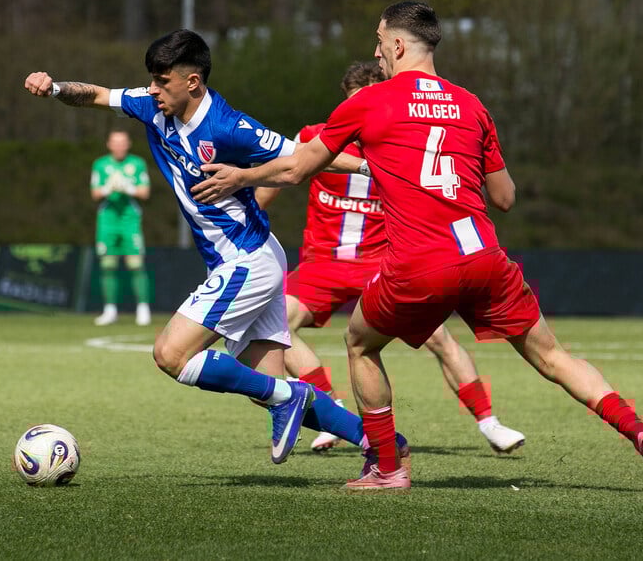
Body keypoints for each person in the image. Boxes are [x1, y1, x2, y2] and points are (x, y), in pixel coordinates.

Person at [191, 2, 643, 493]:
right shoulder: (472, 105)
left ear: (398, 43)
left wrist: (243, 174)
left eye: (379, 41)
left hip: (420, 261)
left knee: (361, 344)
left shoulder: (367, 101)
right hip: (485, 257)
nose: (377, 52)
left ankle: (388, 467)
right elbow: (506, 198)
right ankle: (641, 434)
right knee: (553, 357)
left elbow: (297, 168)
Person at [24, 29, 379, 466]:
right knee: (264, 388)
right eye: (150, 81)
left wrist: (368, 167)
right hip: (245, 258)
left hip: (248, 259)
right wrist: (55, 87)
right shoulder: (152, 107)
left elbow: (302, 156)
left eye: (161, 81)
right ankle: (380, 444)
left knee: (171, 355)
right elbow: (96, 95)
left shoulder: (229, 127)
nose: (151, 90)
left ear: (192, 82)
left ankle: (291, 395)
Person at [256, 61, 524, 455]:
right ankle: (332, 410)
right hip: (323, 264)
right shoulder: (316, 137)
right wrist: (248, 224)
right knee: (276, 324)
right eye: (353, 102)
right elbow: (275, 182)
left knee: (439, 337)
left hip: (383, 263)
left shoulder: (399, 143)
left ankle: (490, 423)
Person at [90, 129, 152, 326]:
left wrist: (128, 187)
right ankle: (110, 310)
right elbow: (95, 194)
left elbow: (145, 192)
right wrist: (108, 188)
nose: (119, 146)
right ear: (109, 144)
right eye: (115, 142)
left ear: (128, 144)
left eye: (122, 142)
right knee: (108, 265)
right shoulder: (100, 164)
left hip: (129, 219)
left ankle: (143, 309)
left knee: (136, 264)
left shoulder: (137, 163)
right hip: (107, 220)